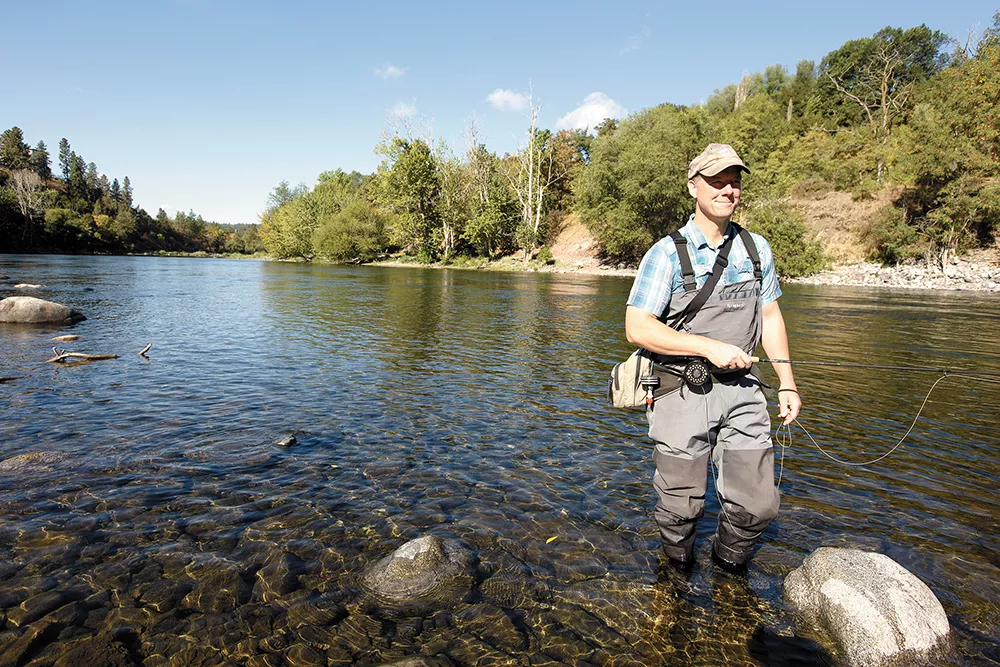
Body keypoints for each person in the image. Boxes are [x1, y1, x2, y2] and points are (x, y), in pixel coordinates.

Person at [624, 143, 801, 573]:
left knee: (758, 505)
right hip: (681, 391)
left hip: (744, 392)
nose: (727, 189)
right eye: (717, 181)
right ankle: (677, 574)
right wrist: (707, 347)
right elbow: (637, 328)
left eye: (734, 182)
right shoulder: (666, 253)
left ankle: (729, 570)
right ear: (693, 187)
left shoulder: (757, 249)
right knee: (681, 507)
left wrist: (788, 381)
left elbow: (771, 316)